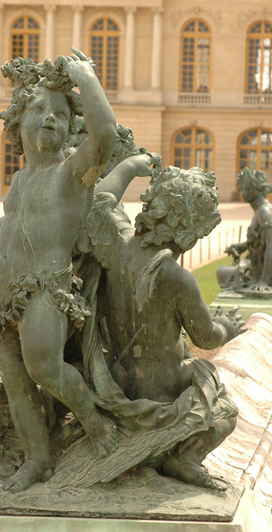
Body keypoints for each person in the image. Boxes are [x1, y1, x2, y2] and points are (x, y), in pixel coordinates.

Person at [0, 50, 158, 493]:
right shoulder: (20, 180)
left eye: (61, 114)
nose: (49, 119)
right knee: (14, 380)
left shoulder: (73, 175)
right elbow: (6, 225)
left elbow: (104, 135)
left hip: (46, 290)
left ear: (72, 128)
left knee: (44, 367)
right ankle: (38, 458)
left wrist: (85, 78)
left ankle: (93, 421)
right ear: (18, 122)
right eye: (38, 110)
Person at [82, 165, 246, 490]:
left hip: (119, 383)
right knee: (225, 410)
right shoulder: (176, 278)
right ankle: (183, 459)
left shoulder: (114, 248)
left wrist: (128, 165)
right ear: (187, 228)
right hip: (164, 391)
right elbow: (205, 336)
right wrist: (228, 326)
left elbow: (101, 199)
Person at [217, 167, 272, 291]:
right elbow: (261, 242)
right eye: (242, 188)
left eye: (248, 188)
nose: (243, 192)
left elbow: (271, 246)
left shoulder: (265, 212)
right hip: (256, 267)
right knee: (222, 272)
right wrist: (243, 246)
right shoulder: (260, 210)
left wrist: (264, 281)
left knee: (222, 273)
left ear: (258, 188)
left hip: (261, 273)